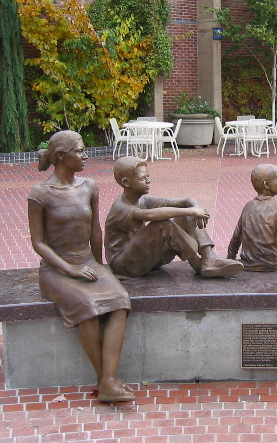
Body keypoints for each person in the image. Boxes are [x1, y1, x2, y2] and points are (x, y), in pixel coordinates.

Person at [28, 131, 134, 403]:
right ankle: (105, 380)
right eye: (80, 151)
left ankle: (107, 381)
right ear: (62, 156)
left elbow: (95, 231)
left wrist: (101, 265)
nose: (86, 156)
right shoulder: (40, 194)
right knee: (87, 307)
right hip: (57, 270)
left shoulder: (89, 186)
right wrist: (70, 269)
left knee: (121, 302)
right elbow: (38, 243)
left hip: (87, 263)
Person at [105, 156, 243, 278]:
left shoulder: (142, 200)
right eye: (142, 178)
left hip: (146, 258)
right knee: (163, 224)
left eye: (148, 176)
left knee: (185, 214)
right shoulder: (121, 208)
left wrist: (195, 207)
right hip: (126, 264)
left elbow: (186, 201)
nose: (148, 181)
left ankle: (208, 258)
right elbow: (150, 215)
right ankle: (197, 263)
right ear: (126, 182)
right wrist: (192, 211)